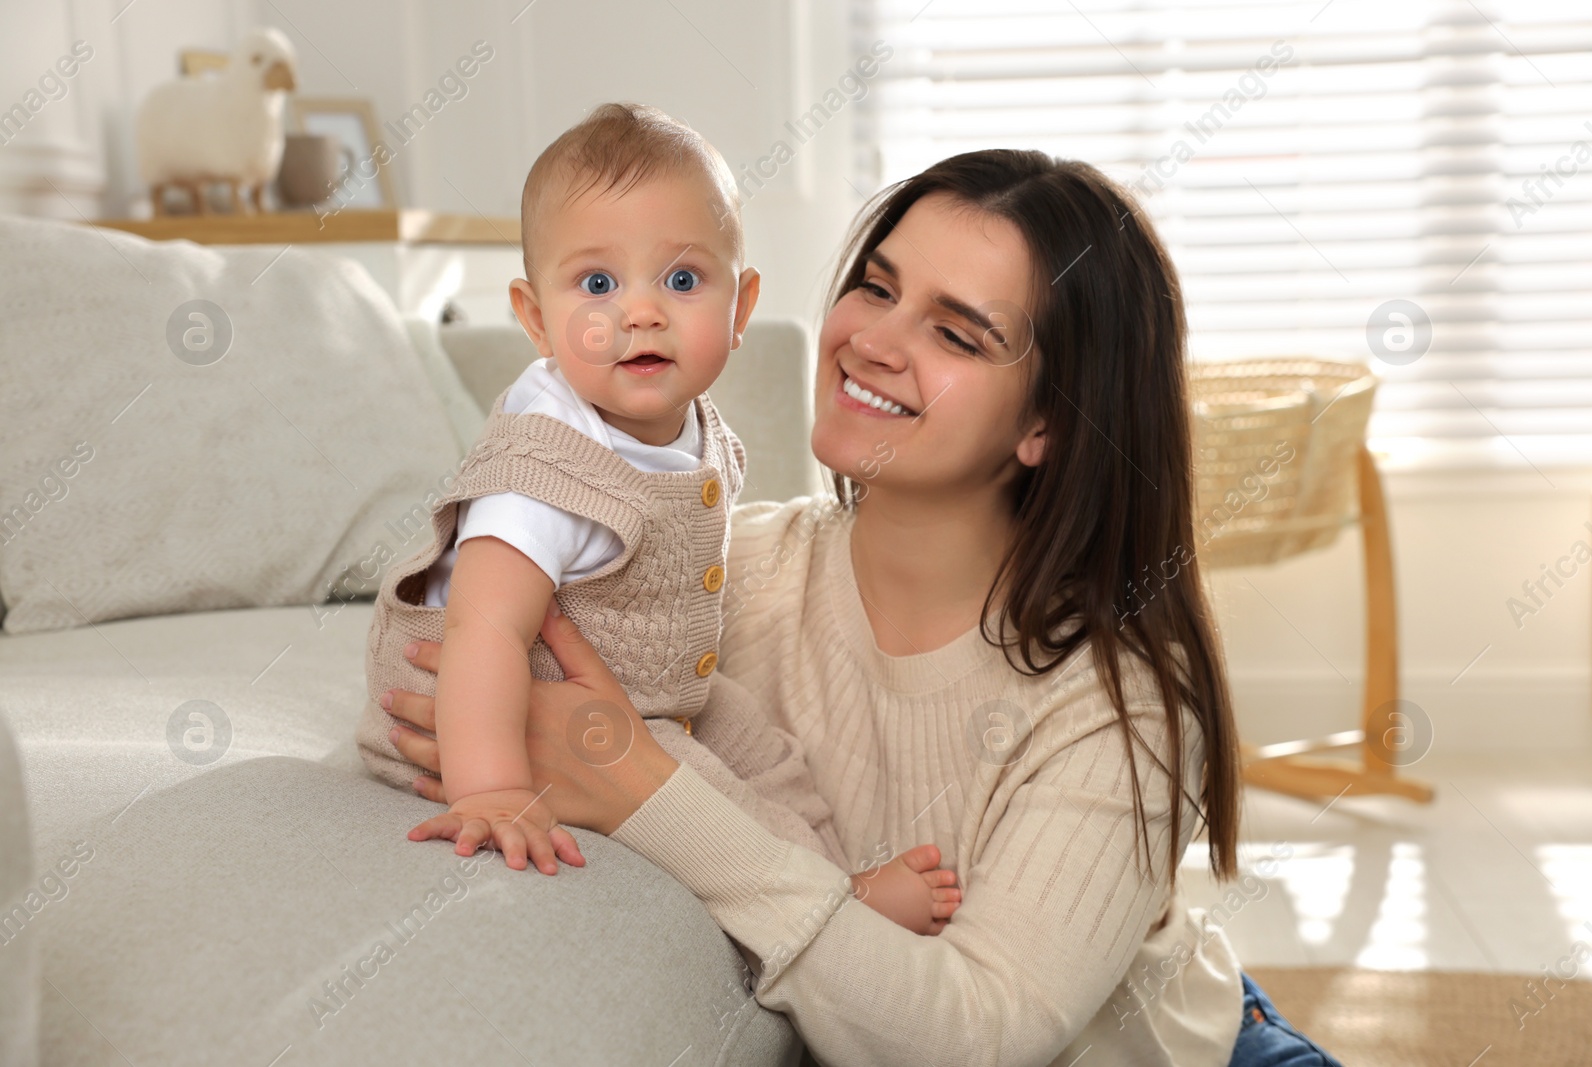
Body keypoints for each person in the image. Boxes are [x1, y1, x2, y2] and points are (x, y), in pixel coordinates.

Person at [384, 148, 1344, 1065]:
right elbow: (481, 667)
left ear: (1048, 422)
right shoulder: (722, 576)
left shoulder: (1121, 704)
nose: (873, 341)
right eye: (877, 288)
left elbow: (975, 1039)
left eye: (957, 333)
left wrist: (644, 789)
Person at [355, 102, 960, 936]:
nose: (640, 313)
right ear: (535, 319)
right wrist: (491, 786)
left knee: (765, 753)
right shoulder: (545, 465)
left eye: (681, 280)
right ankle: (829, 905)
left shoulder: (692, 426)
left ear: (741, 308)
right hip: (494, 701)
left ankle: (825, 865)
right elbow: (485, 628)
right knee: (694, 789)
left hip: (649, 687)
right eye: (598, 284)